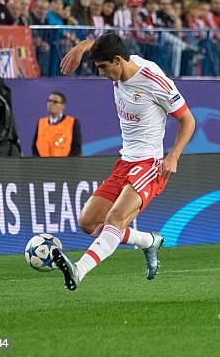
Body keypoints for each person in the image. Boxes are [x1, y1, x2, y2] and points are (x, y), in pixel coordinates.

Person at [51, 33, 196, 291]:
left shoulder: (153, 79)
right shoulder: (118, 67)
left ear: (118, 60)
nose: (101, 74)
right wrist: (80, 49)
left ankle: (78, 270)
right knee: (88, 222)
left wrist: (173, 156)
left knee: (115, 218)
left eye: (104, 68)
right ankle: (148, 241)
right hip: (125, 161)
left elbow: (188, 120)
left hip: (150, 164)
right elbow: (100, 39)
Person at [32, 92, 82, 157]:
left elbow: (76, 149)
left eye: (55, 102)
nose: (51, 104)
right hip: (42, 165)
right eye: (49, 101)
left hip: (64, 165)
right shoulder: (41, 122)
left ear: (63, 106)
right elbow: (35, 147)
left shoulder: (72, 122)